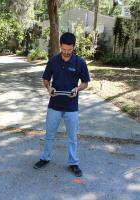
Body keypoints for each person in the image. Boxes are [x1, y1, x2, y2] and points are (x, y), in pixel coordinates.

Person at [33, 32, 90, 177]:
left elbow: (85, 83)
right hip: (54, 106)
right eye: (63, 50)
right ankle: (45, 158)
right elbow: (45, 79)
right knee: (49, 135)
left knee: (72, 137)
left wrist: (77, 89)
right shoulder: (53, 61)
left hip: (71, 107)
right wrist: (49, 88)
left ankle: (73, 163)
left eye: (69, 50)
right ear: (60, 46)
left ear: (74, 47)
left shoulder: (80, 63)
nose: (66, 53)